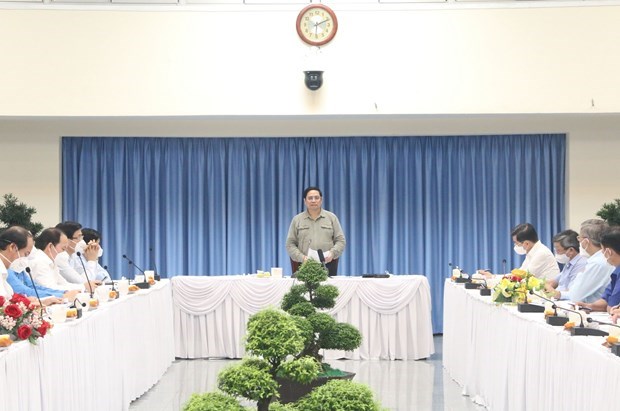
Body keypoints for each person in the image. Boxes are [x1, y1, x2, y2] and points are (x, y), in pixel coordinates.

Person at [286, 186, 346, 276]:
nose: (313, 201)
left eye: (316, 198)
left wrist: (332, 253)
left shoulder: (331, 218)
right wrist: (302, 258)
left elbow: (341, 241)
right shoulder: (297, 219)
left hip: (327, 265)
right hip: (304, 265)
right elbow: (290, 244)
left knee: (326, 290)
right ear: (305, 201)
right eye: (310, 198)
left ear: (321, 200)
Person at [552, 219, 613, 303]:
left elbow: (576, 296)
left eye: (579, 238)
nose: (579, 242)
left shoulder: (597, 263)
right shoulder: (600, 259)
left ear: (586, 241)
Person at [29, 227, 98, 294]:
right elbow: (50, 288)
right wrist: (84, 287)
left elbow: (63, 284)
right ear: (50, 246)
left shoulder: (50, 262)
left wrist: (84, 286)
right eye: (63, 249)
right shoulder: (39, 262)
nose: (64, 253)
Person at [578, 226, 620, 314]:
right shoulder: (616, 271)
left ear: (608, 252)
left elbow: (612, 306)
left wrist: (610, 308)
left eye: (602, 251)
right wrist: (589, 306)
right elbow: (606, 300)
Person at [545, 230, 587, 294]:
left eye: (558, 250)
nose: (556, 253)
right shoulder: (569, 263)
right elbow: (553, 282)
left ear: (571, 250)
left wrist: (553, 292)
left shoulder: (581, 264)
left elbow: (572, 292)